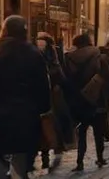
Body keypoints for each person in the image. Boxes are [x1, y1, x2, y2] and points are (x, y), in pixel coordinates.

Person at [0, 15, 53, 179]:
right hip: (28, 117)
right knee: (21, 163)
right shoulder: (34, 55)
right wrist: (44, 111)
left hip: (2, 117)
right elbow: (43, 88)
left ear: (5, 31)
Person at [64, 33, 109, 170]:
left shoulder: (69, 58)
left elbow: (67, 80)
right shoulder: (100, 56)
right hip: (97, 99)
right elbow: (108, 76)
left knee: (82, 131)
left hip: (79, 100)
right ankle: (100, 158)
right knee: (98, 131)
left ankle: (79, 162)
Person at [34, 33, 73, 172]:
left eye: (42, 42)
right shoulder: (35, 55)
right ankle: (44, 155)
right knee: (42, 126)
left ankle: (55, 149)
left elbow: (60, 73)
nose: (39, 44)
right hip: (41, 96)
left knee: (51, 124)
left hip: (52, 96)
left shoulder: (54, 56)